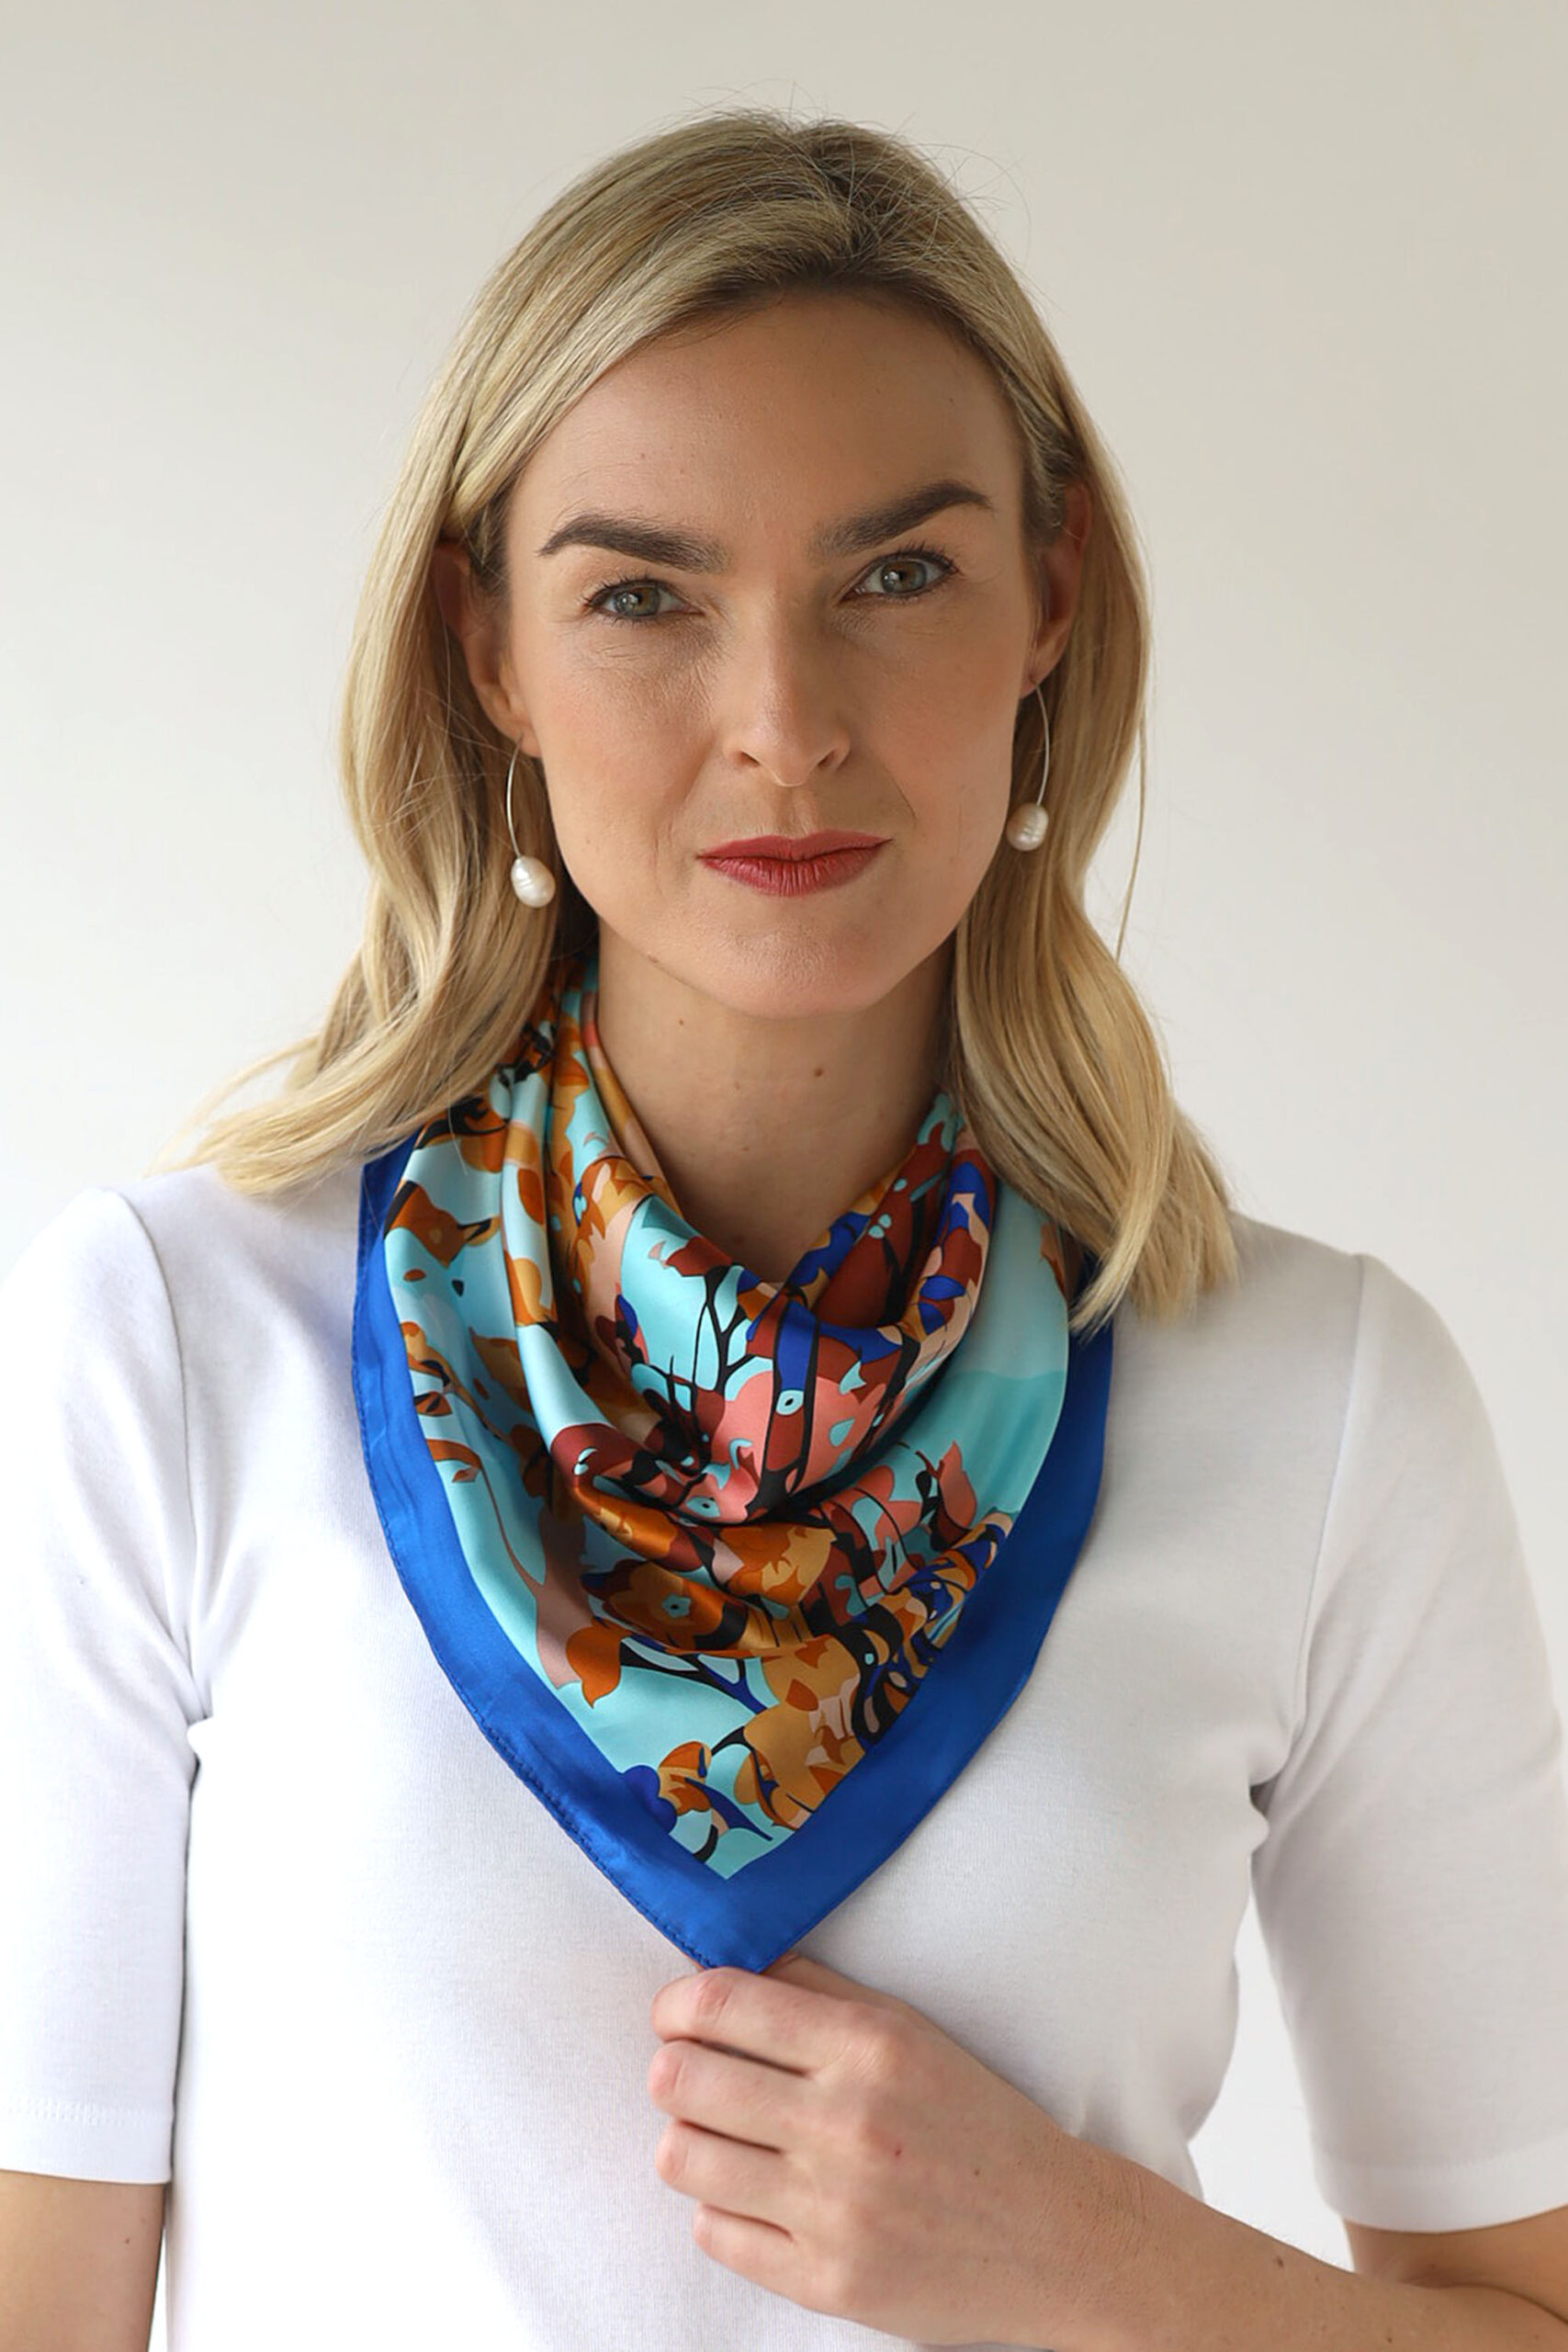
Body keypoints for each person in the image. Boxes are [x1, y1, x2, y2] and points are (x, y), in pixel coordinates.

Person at [3, 106, 1567, 2352]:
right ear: (486, 646)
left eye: (894, 576)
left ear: (1050, 599)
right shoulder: (172, 1342)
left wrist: (1089, 2254)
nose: (781, 723)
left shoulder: (1318, 1405)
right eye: (641, 594)